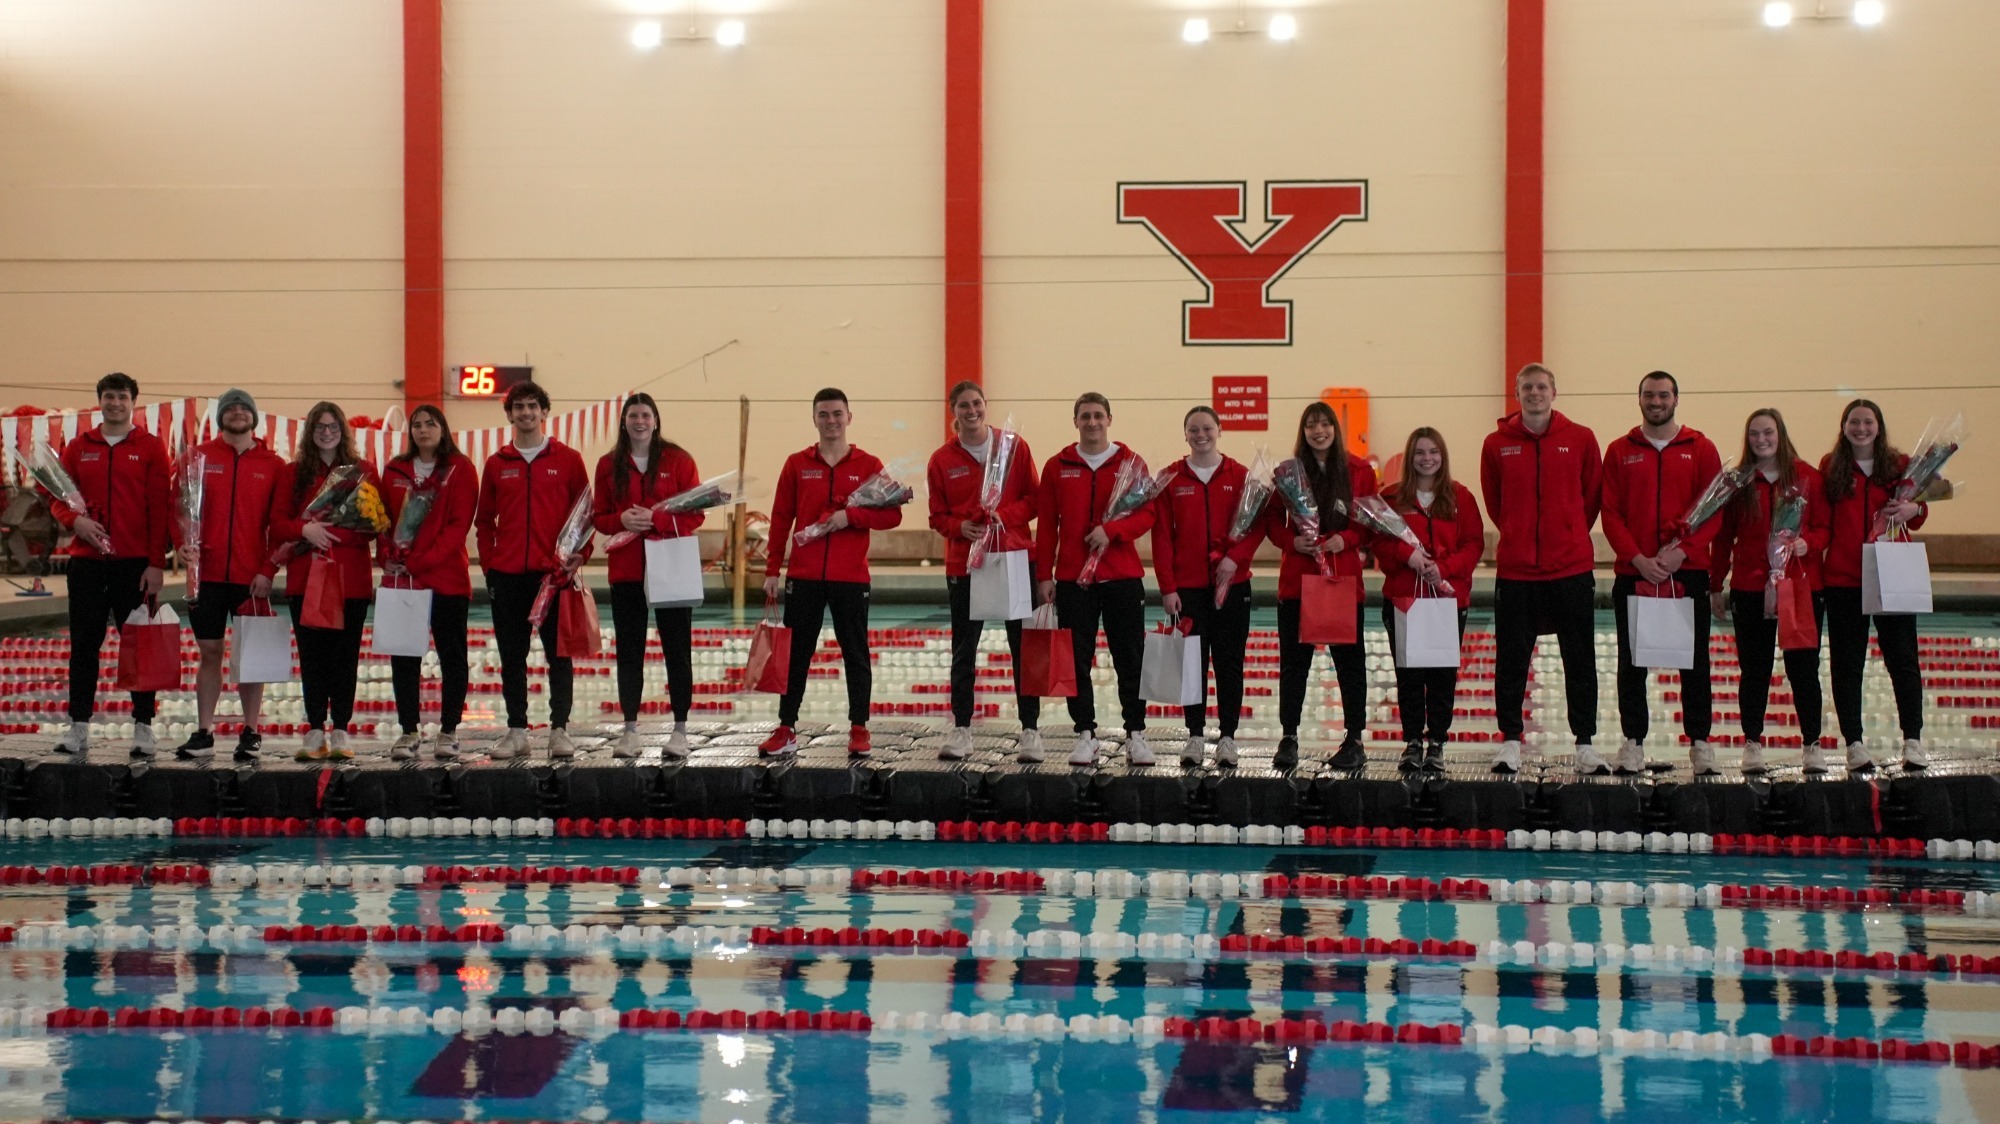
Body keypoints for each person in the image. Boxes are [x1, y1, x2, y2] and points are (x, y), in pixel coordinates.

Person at [759, 388, 903, 757]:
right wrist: (773, 569)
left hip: (850, 577)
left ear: (849, 417)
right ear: (814, 419)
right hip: (804, 576)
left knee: (855, 652)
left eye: (837, 414)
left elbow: (893, 514)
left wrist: (850, 517)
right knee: (796, 654)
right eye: (823, 414)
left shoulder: (868, 465)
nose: (831, 421)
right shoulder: (797, 464)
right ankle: (786, 727)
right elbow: (780, 518)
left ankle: (859, 728)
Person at [1480, 363, 1603, 775]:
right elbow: (1495, 503)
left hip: (1570, 568)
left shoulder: (1581, 438)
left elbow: (1591, 497)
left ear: (1554, 392)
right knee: (1511, 662)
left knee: (1580, 660)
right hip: (1517, 572)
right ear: (1517, 394)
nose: (1535, 393)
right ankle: (1511, 741)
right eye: (1527, 387)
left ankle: (1584, 743)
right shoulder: (1496, 444)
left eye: (1541, 387)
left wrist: (1567, 534)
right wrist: (1518, 534)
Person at [1599, 371, 1723, 776]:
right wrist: (1637, 558)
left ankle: (1700, 743)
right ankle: (1633, 742)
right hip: (1635, 572)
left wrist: (1682, 554)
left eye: (1663, 395)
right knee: (1632, 662)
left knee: (1695, 661)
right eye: (1649, 395)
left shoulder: (1701, 448)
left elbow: (1714, 511)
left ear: (1676, 399)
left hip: (1688, 573)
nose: (1656, 402)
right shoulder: (1619, 451)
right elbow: (1610, 513)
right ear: (1639, 399)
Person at [45, 372, 172, 758]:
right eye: (109, 396)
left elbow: (160, 509)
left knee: (139, 647)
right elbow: (56, 496)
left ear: (133, 402)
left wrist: (155, 564)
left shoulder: (150, 447)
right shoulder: (79, 446)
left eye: (122, 397)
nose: (115, 403)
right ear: (99, 401)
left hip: (134, 565)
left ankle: (144, 726)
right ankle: (79, 725)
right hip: (87, 564)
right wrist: (75, 522)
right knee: (84, 645)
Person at [1036, 392, 1156, 767]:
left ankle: (1135, 734)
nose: (1092, 422)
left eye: (1098, 415)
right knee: (1076, 660)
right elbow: (1047, 525)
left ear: (1109, 420)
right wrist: (1044, 575)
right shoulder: (1057, 466)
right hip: (1074, 580)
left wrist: (1112, 532)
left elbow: (1148, 514)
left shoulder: (1131, 463)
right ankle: (1085, 734)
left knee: (1130, 658)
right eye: (1085, 416)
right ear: (1075, 421)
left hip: (1122, 576)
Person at [926, 381, 1043, 762]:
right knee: (964, 650)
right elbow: (936, 516)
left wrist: (1002, 516)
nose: (971, 410)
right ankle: (961, 728)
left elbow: (1034, 500)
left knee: (1022, 648)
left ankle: (1030, 730)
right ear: (953, 411)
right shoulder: (941, 459)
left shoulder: (1014, 447)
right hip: (966, 563)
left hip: (1013, 556)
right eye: (963, 405)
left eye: (976, 403)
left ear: (985, 405)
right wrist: (959, 527)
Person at [1709, 408, 1831, 773]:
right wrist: (1716, 584)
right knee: (1754, 669)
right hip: (1750, 587)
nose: (1761, 439)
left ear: (1781, 434)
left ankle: (1812, 745)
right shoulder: (1738, 482)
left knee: (1803, 668)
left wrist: (1810, 543)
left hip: (1799, 587)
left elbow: (1825, 526)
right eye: (1754, 434)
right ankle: (1752, 744)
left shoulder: (1808, 477)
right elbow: (1723, 538)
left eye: (1768, 432)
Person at [475, 380, 590, 761]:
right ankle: (517, 731)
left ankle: (559, 730)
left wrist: (580, 555)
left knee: (559, 656)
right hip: (507, 577)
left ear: (544, 412)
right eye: (519, 407)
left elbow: (585, 514)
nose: (525, 412)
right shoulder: (497, 464)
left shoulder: (568, 459)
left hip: (553, 576)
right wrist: (491, 566)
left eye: (532, 406)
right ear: (509, 414)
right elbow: (484, 522)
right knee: (512, 657)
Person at [1264, 401, 1377, 771]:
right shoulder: (1288, 472)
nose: (1319, 431)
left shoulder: (1359, 470)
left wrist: (1347, 539)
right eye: (1311, 425)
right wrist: (1292, 542)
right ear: (1303, 431)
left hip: (1341, 579)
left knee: (1350, 665)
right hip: (1298, 581)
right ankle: (1289, 736)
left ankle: (1354, 738)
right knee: (1293, 666)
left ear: (1335, 429)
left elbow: (1370, 521)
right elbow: (1271, 520)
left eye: (1325, 424)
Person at [175, 388, 286, 762]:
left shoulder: (273, 464)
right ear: (220, 416)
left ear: (254, 417)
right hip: (205, 575)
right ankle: (204, 731)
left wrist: (268, 569)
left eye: (244, 408)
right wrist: (181, 544)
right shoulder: (197, 458)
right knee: (209, 652)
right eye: (231, 408)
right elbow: (178, 509)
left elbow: (279, 525)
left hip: (251, 576)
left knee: (250, 656)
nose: (238, 412)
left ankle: (251, 731)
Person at [1819, 398, 1927, 773]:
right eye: (1854, 422)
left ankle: (1913, 740)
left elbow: (1918, 515)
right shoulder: (1831, 466)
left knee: (1903, 660)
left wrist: (1916, 509)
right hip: (1844, 578)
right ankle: (1854, 744)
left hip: (1890, 573)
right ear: (1844, 426)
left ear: (1879, 426)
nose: (1861, 428)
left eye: (1868, 422)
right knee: (1847, 665)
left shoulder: (1899, 465)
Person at [592, 393, 702, 760]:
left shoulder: (679, 460)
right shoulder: (608, 465)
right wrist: (621, 519)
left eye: (645, 415)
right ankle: (629, 730)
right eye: (633, 416)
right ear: (624, 422)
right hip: (626, 568)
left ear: (655, 421)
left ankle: (680, 730)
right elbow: (599, 517)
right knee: (629, 651)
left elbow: (696, 513)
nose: (639, 421)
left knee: (677, 650)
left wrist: (657, 520)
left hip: (670, 564)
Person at [1151, 405, 1260, 768]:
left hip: (1233, 586)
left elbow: (1255, 525)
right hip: (1188, 590)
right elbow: (1162, 536)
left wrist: (1236, 559)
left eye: (1207, 428)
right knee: (1191, 667)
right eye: (1194, 429)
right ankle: (1195, 736)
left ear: (1219, 430)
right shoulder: (1170, 477)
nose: (1201, 435)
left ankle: (1228, 737)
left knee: (1230, 664)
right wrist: (1167, 587)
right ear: (1185, 434)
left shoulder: (1239, 475)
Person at [272, 402, 380, 762]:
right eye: (320, 426)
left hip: (350, 580)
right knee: (313, 657)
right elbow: (277, 523)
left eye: (333, 426)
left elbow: (375, 525)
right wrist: (305, 530)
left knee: (345, 657)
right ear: (310, 432)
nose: (327, 432)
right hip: (307, 580)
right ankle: (315, 728)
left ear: (343, 431)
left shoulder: (363, 471)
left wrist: (333, 534)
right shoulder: (293, 473)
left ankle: (341, 729)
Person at [1374, 427, 1484, 773]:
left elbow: (1474, 544)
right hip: (1404, 600)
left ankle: (1436, 742)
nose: (1427, 459)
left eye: (1433, 452)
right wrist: (1407, 556)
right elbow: (1378, 542)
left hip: (1447, 600)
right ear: (1410, 457)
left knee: (1442, 675)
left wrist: (1444, 568)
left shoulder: (1461, 497)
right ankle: (1412, 742)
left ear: (1442, 456)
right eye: (1420, 452)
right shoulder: (1391, 498)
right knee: (1408, 674)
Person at [381, 404, 478, 761]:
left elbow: (458, 526)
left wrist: (418, 562)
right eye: (417, 425)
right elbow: (383, 520)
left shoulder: (460, 469)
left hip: (446, 578)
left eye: (430, 424)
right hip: (404, 579)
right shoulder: (395, 469)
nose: (423, 430)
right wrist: (385, 555)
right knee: (404, 657)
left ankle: (448, 731)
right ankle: (408, 731)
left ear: (443, 428)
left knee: (453, 656)